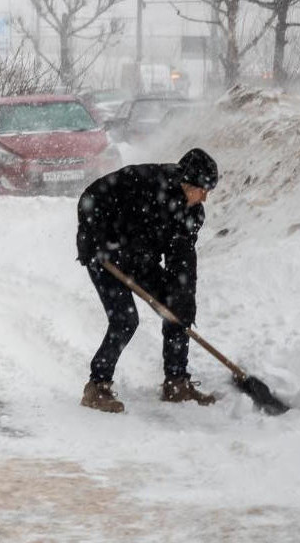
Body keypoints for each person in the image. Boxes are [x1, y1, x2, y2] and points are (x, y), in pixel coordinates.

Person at [75, 148, 219, 413]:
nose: (205, 198)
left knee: (178, 310)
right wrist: (92, 240)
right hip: (105, 253)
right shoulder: (145, 182)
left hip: (141, 259)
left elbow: (183, 262)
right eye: (203, 190)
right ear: (187, 183)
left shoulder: (192, 214)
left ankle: (176, 383)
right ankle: (97, 386)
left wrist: (183, 303)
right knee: (125, 320)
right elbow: (90, 198)